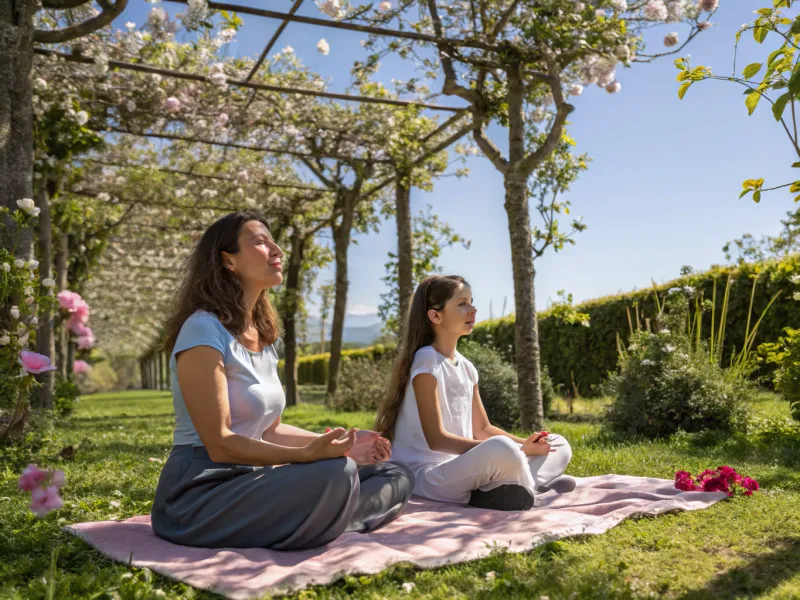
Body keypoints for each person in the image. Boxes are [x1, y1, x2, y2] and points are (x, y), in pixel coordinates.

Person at [151, 211, 414, 550]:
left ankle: (319, 518)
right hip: (201, 492)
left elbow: (271, 429)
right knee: (337, 474)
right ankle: (327, 516)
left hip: (255, 480)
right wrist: (309, 456)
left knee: (395, 475)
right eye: (260, 242)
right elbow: (219, 443)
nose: (276, 249)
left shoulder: (264, 338)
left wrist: (341, 443)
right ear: (228, 260)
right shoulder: (202, 329)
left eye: (274, 241)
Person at [375, 275, 574, 511]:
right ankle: (534, 489)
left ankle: (508, 490)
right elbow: (436, 439)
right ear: (435, 316)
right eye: (462, 304)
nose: (473, 309)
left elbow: (483, 429)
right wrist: (519, 450)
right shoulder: (426, 361)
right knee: (503, 449)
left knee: (558, 444)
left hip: (464, 465)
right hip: (430, 476)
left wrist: (529, 444)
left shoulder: (466, 367)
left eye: (471, 302)